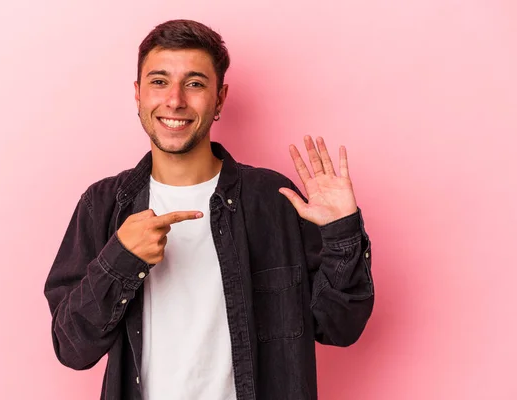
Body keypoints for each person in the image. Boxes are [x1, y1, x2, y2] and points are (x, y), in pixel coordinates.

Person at [44, 19, 374, 400]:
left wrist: (342, 233)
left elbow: (339, 327)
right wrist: (120, 260)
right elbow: (71, 347)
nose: (175, 100)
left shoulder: (273, 200)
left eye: (195, 83)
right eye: (159, 81)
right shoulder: (103, 205)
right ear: (137, 94)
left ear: (220, 98)